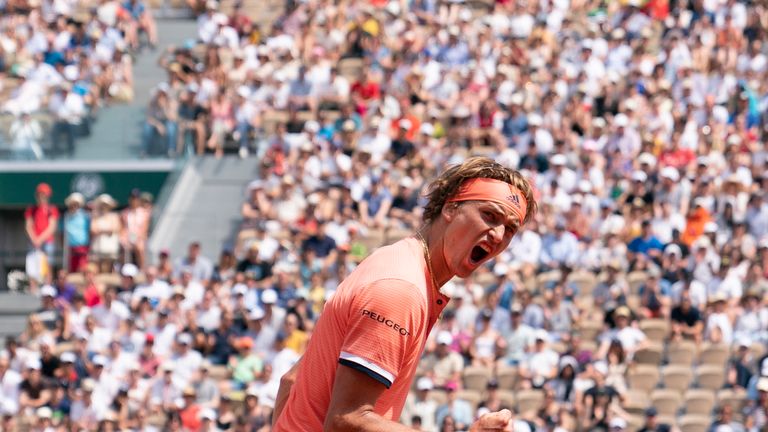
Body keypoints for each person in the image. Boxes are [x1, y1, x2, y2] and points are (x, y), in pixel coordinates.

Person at [273, 157, 536, 431]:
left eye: (510, 228)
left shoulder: (393, 259)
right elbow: (346, 421)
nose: (498, 234)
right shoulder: (402, 289)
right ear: (451, 208)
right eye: (489, 215)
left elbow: (291, 382)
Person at [25, 183, 59, 286]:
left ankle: (47, 287)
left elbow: (52, 227)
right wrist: (34, 239)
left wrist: (40, 239)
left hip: (47, 241)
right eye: (40, 195)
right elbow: (28, 225)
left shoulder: (52, 209)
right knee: (32, 265)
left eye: (44, 195)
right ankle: (33, 288)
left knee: (48, 264)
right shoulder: (31, 209)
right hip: (33, 242)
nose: (42, 197)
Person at [63, 193, 90, 273]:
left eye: (76, 204)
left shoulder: (85, 216)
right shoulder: (66, 216)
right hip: (70, 248)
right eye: (73, 204)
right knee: (72, 270)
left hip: (83, 247)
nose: (75, 206)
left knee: (83, 269)